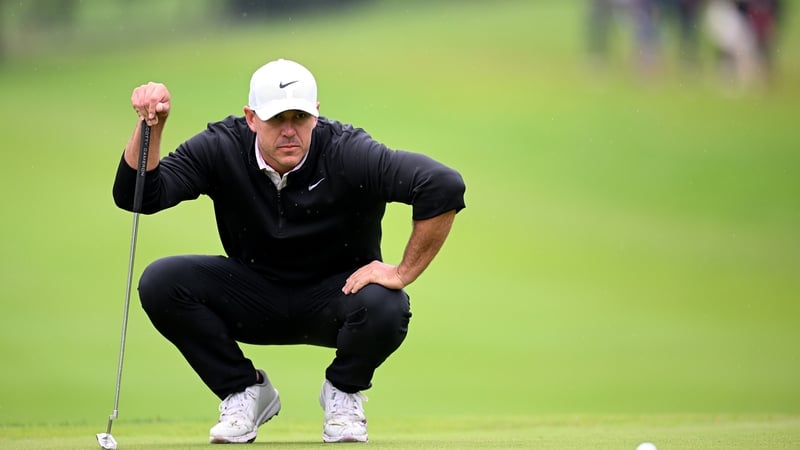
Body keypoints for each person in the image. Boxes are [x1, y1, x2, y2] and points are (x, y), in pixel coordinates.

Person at [113, 58, 466, 444]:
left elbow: (442, 186)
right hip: (253, 295)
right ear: (250, 118)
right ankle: (244, 391)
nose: (289, 131)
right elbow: (139, 196)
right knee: (162, 282)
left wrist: (402, 272)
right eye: (276, 119)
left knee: (388, 303)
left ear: (316, 115)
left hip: (338, 298)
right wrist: (151, 128)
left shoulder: (348, 152)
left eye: (299, 117)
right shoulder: (222, 147)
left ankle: (344, 392)